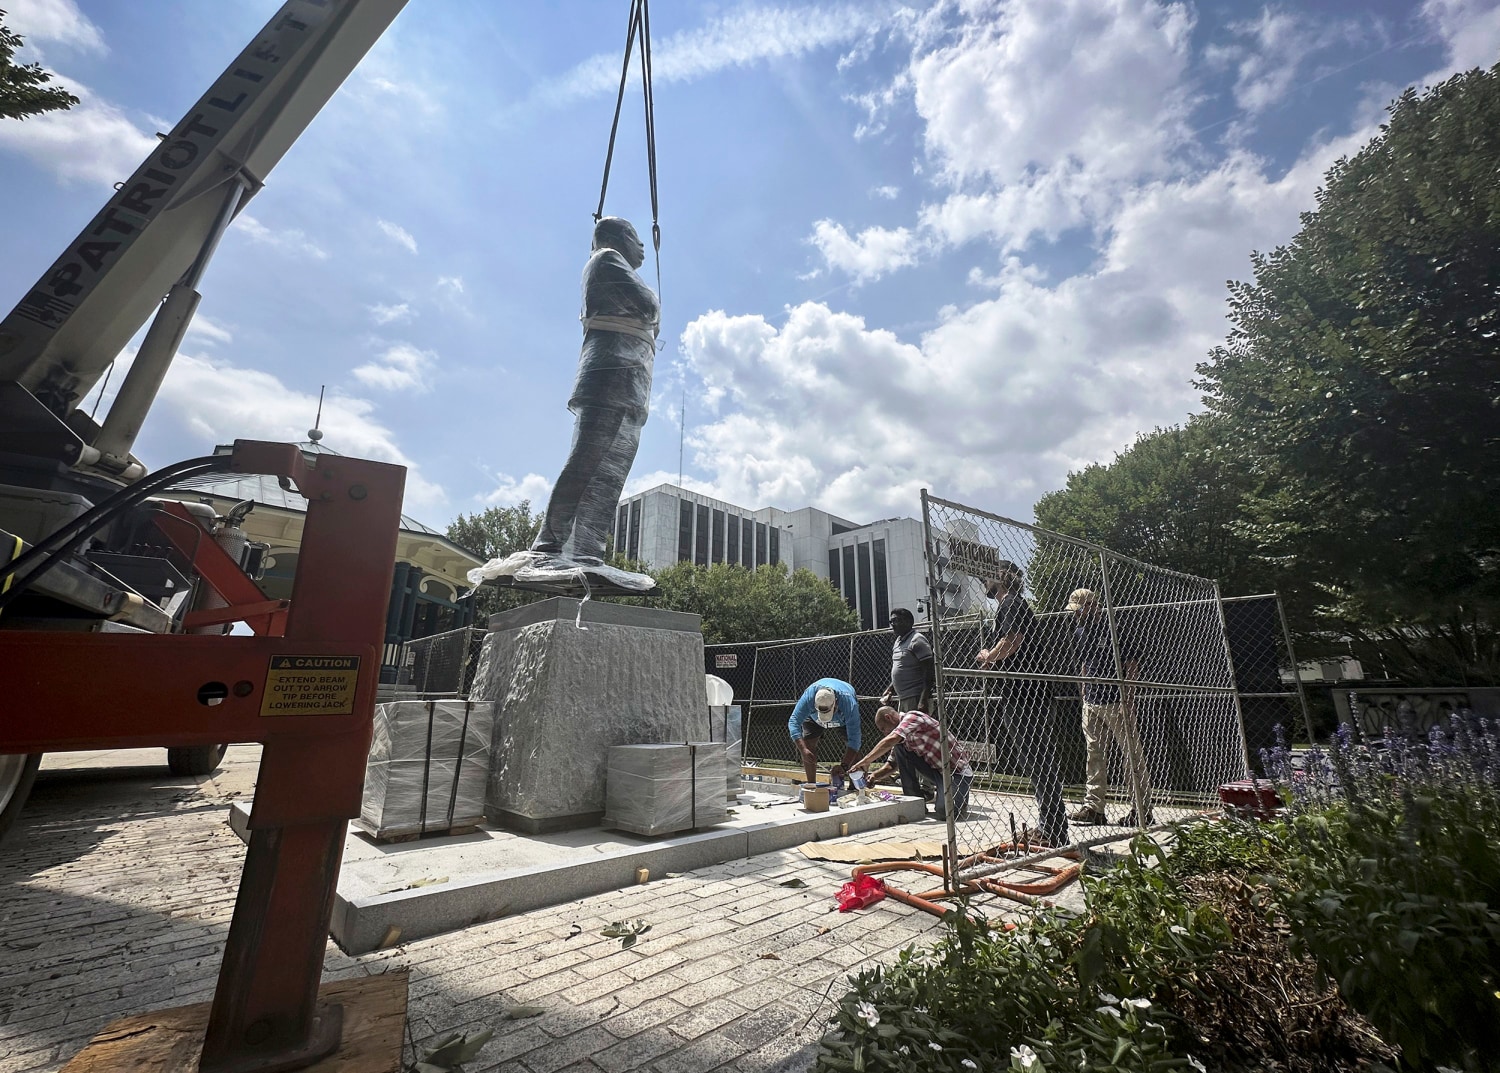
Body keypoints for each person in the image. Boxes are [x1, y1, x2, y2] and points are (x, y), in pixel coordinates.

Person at [531, 217, 659, 565]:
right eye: (635, 236)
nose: (643, 246)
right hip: (608, 379)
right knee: (587, 462)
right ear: (616, 237)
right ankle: (550, 543)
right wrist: (653, 309)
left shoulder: (612, 262)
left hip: (629, 385)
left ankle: (586, 549)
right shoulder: (605, 259)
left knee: (611, 473)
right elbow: (647, 305)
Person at [976, 562, 1069, 846]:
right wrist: (992, 656)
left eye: (987, 577)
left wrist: (989, 656)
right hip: (1028, 694)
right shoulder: (1014, 605)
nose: (984, 582)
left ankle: (1052, 830)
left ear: (1000, 579)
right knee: (1039, 762)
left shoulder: (1011, 604)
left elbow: (1013, 639)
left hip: (1025, 696)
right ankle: (1051, 827)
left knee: (1039, 762)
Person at [1066, 588, 1152, 827]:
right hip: (1092, 701)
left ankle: (1141, 809)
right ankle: (1094, 808)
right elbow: (1084, 661)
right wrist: (1084, 691)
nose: (1076, 616)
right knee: (1094, 755)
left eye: (1079, 611)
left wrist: (1129, 697)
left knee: (1131, 754)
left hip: (1116, 700)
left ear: (1093, 606)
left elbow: (1131, 664)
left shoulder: (1116, 628)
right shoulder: (1081, 630)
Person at [851, 707, 972, 821]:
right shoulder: (900, 738)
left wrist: (866, 761)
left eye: (883, 729)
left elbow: (892, 738)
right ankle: (915, 802)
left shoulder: (912, 717)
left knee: (944, 813)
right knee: (899, 748)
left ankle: (959, 795)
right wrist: (874, 776)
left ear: (889, 718)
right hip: (937, 772)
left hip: (956, 773)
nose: (884, 733)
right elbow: (893, 764)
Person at [787, 678, 862, 785]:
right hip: (814, 717)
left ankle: (855, 787)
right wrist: (803, 750)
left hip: (842, 719)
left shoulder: (849, 704)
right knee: (808, 745)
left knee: (855, 753)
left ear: (835, 703)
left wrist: (844, 766)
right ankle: (811, 785)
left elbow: (855, 741)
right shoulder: (809, 697)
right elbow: (793, 722)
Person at [881, 607, 935, 714]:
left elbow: (929, 671)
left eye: (896, 620)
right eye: (891, 621)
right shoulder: (898, 641)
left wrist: (923, 700)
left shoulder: (917, 639)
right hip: (903, 698)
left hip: (916, 698)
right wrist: (891, 688)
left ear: (908, 622)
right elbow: (904, 667)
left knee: (917, 730)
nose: (893, 624)